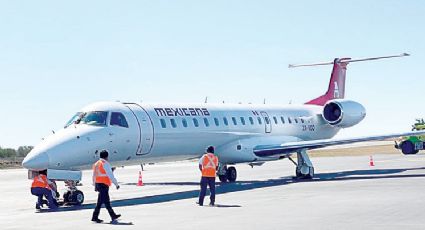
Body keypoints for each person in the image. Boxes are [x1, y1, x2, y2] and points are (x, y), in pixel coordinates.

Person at [91, 150, 121, 223]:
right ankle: (95, 217)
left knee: (106, 202)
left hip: (98, 184)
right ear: (106, 156)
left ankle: (113, 215)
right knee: (100, 202)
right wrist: (116, 184)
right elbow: (110, 175)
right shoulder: (105, 163)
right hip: (104, 184)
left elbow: (94, 175)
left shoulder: (96, 164)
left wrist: (94, 184)